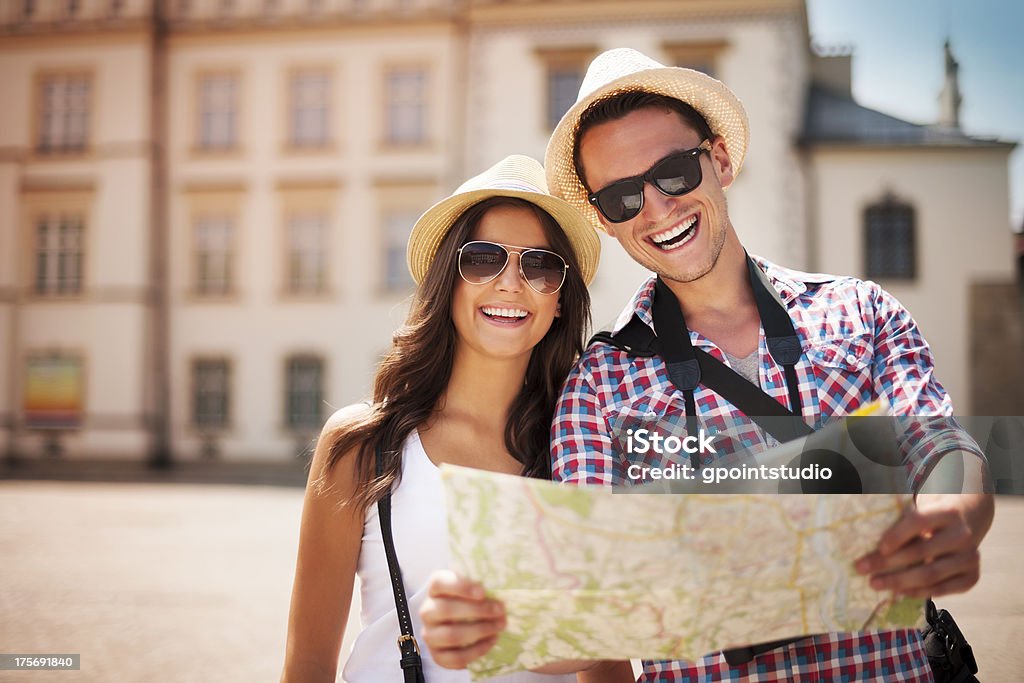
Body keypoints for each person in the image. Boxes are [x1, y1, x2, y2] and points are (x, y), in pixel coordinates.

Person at [423, 48, 994, 682]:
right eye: (620, 196)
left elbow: (942, 445)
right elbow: (591, 606)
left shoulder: (861, 311)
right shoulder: (598, 386)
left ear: (718, 159)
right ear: (603, 221)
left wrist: (954, 517)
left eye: (672, 171)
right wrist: (505, 625)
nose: (656, 209)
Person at [281, 154, 611, 682]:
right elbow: (308, 665)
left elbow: (604, 662)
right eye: (482, 259)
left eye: (540, 266)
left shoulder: (582, 449)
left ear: (561, 304)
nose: (510, 283)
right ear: (447, 282)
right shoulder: (362, 444)